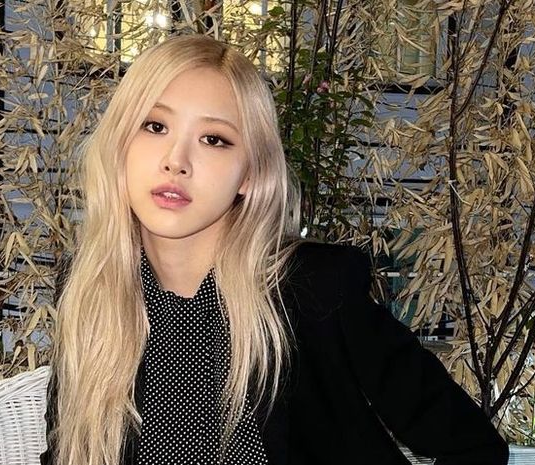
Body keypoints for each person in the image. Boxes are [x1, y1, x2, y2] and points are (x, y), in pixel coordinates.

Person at [40, 34, 508, 465]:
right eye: (154, 125)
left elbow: (473, 448)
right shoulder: (91, 288)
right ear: (120, 144)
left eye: (213, 140)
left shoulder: (313, 293)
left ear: (249, 174)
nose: (175, 161)